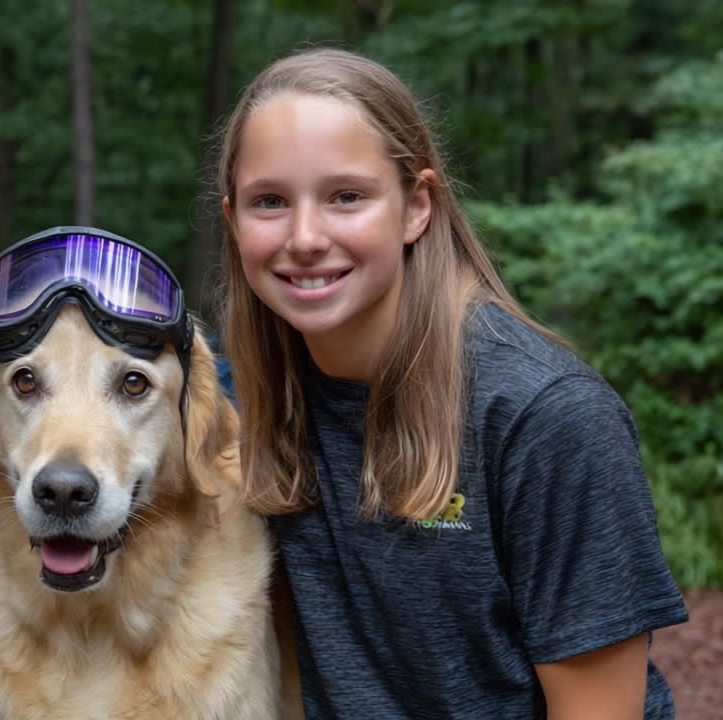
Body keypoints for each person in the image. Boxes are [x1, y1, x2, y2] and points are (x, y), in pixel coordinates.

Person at [215, 47, 688, 718]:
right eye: (270, 202)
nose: (305, 236)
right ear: (233, 224)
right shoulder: (235, 406)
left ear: (417, 207)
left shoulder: (545, 419)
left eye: (346, 196)